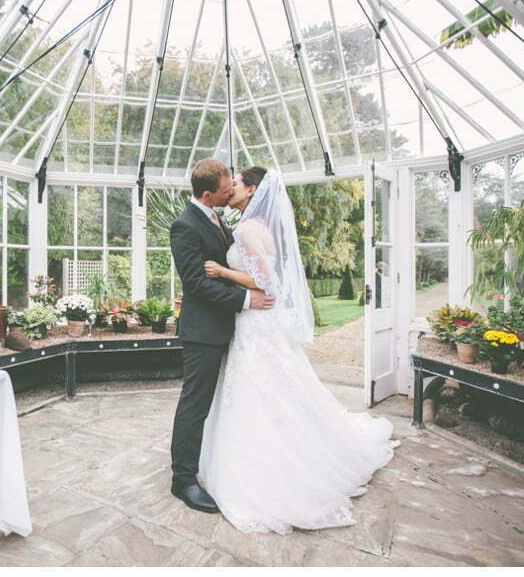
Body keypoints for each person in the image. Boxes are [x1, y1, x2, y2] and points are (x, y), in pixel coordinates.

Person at [197, 165, 400, 534]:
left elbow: (267, 283)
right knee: (275, 390)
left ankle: (268, 472)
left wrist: (223, 272)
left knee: (258, 392)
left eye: (237, 184)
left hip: (256, 324)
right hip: (258, 325)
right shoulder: (260, 227)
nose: (231, 189)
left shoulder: (245, 229)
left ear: (253, 189)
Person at [169, 158, 276, 514]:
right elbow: (196, 286)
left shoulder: (218, 218)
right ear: (207, 194)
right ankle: (182, 480)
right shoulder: (184, 226)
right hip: (202, 332)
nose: (231, 188)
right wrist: (247, 298)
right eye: (226, 185)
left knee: (215, 404)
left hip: (225, 329)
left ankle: (212, 462)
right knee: (194, 404)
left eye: (233, 182)